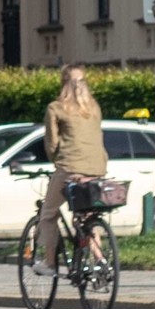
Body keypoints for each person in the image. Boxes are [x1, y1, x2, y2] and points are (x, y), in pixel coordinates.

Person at [30, 64, 109, 276]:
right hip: (97, 169)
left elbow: (52, 144)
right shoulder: (94, 108)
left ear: (63, 83)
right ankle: (100, 261)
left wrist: (56, 161)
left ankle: (48, 262)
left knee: (48, 213)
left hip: (70, 168)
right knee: (87, 218)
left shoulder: (56, 108)